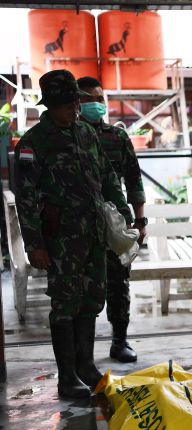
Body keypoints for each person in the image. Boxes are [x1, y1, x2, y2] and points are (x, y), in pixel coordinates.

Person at [14, 70, 133, 398]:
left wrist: (123, 213)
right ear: (50, 106)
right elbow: (24, 199)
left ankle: (85, 365)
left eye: (75, 103)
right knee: (65, 304)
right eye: (67, 104)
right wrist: (34, 245)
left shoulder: (86, 133)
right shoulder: (34, 143)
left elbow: (107, 176)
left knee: (92, 299)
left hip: (94, 235)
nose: (74, 109)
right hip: (61, 240)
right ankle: (67, 376)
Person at [76, 76, 146, 364]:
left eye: (100, 98)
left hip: (116, 221)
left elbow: (134, 179)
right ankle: (83, 354)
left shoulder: (117, 137)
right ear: (78, 103)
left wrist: (140, 221)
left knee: (119, 283)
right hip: (80, 225)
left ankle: (120, 341)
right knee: (84, 289)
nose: (97, 104)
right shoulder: (71, 137)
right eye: (90, 99)